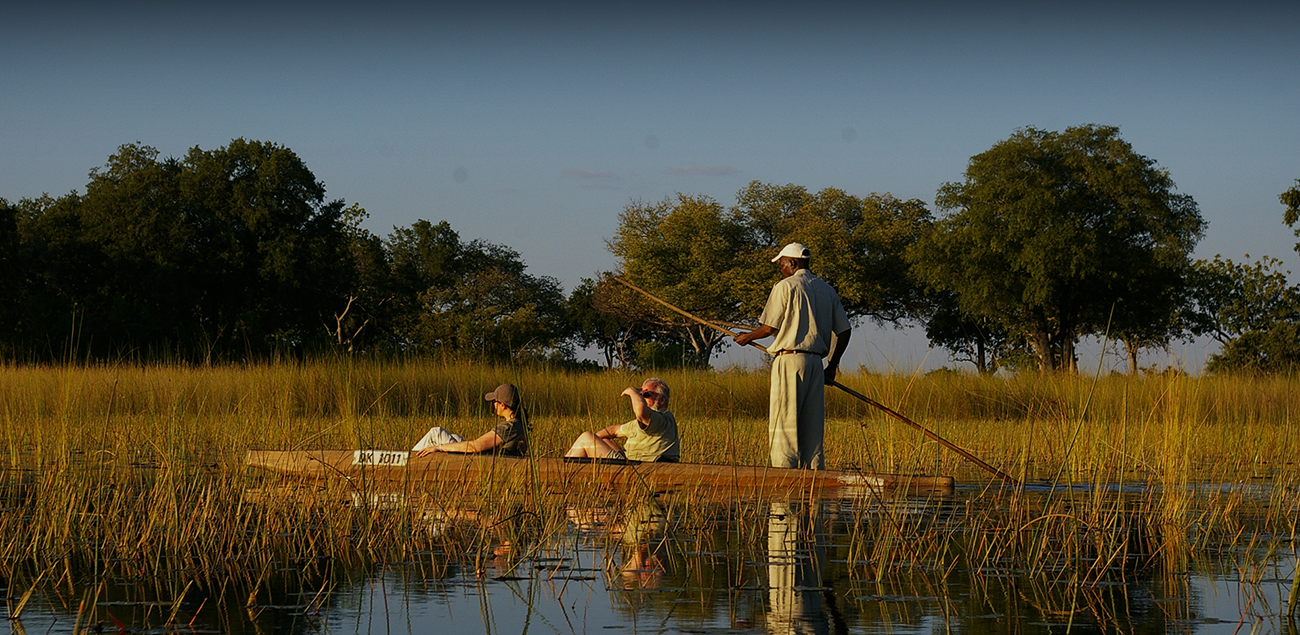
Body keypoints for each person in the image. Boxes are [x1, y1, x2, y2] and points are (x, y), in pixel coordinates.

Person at [733, 242, 851, 470]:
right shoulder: (827, 290)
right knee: (812, 426)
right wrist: (832, 366)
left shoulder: (785, 287)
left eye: (782, 264)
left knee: (784, 422)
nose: (780, 269)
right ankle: (814, 474)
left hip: (789, 360)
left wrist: (747, 337)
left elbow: (768, 328)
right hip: (816, 364)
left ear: (793, 263)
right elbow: (844, 330)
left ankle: (783, 475)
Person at [564, 378, 680, 462]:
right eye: (641, 394)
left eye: (646, 395)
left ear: (662, 400)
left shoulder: (663, 419)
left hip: (639, 468)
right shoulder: (641, 422)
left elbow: (640, 409)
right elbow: (615, 430)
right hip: (629, 463)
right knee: (602, 440)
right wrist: (595, 439)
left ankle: (564, 472)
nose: (642, 398)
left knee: (585, 437)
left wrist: (632, 392)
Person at [412, 383, 528, 457]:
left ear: (502, 405)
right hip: (488, 457)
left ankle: (407, 460)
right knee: (455, 436)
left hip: (482, 460)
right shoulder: (518, 424)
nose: (493, 405)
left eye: (494, 402)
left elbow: (475, 446)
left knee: (436, 432)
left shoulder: (509, 427)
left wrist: (438, 447)